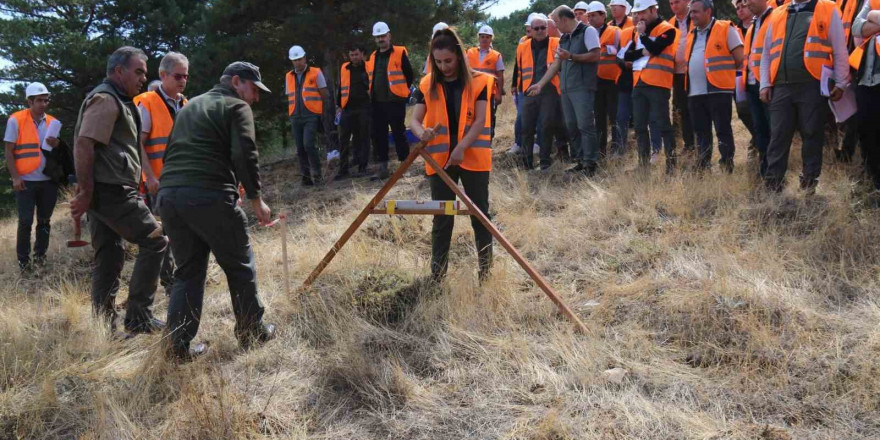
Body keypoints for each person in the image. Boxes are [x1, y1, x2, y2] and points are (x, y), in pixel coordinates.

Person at [158, 61, 276, 361]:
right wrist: (256, 199)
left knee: (187, 273)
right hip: (207, 195)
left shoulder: (190, 105)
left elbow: (175, 150)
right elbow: (244, 152)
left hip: (171, 197)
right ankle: (252, 332)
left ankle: (176, 348)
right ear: (236, 82)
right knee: (239, 265)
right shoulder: (236, 107)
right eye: (253, 89)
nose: (256, 98)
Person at [70, 46, 167, 335]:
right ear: (118, 71)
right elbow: (84, 144)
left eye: (144, 73)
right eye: (138, 71)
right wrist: (86, 191)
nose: (142, 78)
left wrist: (89, 192)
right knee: (156, 241)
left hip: (105, 190)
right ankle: (138, 318)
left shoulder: (119, 99)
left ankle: (104, 328)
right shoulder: (106, 99)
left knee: (110, 256)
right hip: (111, 191)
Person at [410, 28, 493, 282]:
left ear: (458, 55)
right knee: (442, 218)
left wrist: (461, 148)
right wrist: (421, 133)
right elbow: (414, 120)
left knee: (480, 216)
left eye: (448, 60)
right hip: (440, 162)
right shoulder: (427, 84)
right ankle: (437, 278)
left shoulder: (480, 81)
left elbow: (479, 121)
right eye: (438, 61)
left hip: (473, 158)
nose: (443, 66)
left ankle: (486, 275)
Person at [759, 0, 850, 193]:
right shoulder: (777, 13)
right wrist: (765, 83)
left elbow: (840, 48)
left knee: (812, 133)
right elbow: (766, 53)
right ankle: (773, 185)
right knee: (778, 136)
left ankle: (809, 184)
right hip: (781, 86)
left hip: (813, 84)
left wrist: (841, 82)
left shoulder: (827, 8)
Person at [133, 51, 189, 293]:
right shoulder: (146, 102)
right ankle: (169, 282)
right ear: (163, 74)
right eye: (178, 76)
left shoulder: (185, 104)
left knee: (181, 231)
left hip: (183, 181)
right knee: (162, 233)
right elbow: (138, 143)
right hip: (158, 183)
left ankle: (181, 277)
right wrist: (149, 177)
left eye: (186, 76)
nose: (183, 81)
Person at [529, 6, 602, 175]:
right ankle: (580, 161)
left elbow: (596, 55)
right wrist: (540, 84)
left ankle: (590, 164)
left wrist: (571, 56)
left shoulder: (588, 31)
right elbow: (556, 64)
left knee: (585, 125)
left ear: (563, 19)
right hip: (567, 89)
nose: (554, 26)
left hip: (583, 87)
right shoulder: (564, 38)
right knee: (572, 125)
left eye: (555, 22)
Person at [4, 82, 60, 274]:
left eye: (46, 100)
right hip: (25, 181)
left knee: (44, 221)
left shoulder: (53, 122)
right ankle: (23, 263)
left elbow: (57, 153)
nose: (43, 104)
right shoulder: (15, 120)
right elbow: (9, 152)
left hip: (47, 182)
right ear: (29, 101)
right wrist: (15, 177)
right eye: (39, 101)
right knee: (25, 222)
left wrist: (57, 143)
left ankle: (40, 259)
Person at [685, 0, 745, 172]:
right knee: (701, 132)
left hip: (719, 90)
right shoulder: (691, 34)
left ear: (708, 11)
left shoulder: (726, 28)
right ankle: (703, 166)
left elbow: (739, 57)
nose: (692, 15)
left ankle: (727, 164)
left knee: (722, 129)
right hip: (695, 92)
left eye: (696, 11)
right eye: (691, 12)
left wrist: (722, 75)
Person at [624, 0, 679, 173]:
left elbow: (656, 49)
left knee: (663, 124)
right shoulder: (639, 32)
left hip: (658, 83)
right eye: (637, 13)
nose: (639, 16)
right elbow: (627, 55)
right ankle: (643, 165)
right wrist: (642, 50)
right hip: (638, 83)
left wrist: (643, 38)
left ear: (653, 10)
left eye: (643, 13)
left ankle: (671, 165)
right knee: (640, 126)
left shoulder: (667, 29)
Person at [367, 21, 415, 180]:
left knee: (398, 133)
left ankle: (404, 166)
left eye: (383, 36)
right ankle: (382, 168)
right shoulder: (373, 56)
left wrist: (402, 93)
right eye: (378, 37)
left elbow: (409, 75)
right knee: (378, 135)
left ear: (389, 36)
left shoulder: (400, 52)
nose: (381, 39)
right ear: (375, 39)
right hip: (377, 102)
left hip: (395, 101)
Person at [517, 14, 562, 170]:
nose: (540, 31)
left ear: (547, 28)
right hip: (528, 91)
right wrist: (518, 88)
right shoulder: (522, 46)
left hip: (549, 91)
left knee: (546, 126)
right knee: (526, 128)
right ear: (531, 29)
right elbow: (519, 69)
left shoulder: (557, 42)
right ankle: (526, 163)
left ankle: (544, 161)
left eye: (543, 27)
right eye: (536, 28)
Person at [286, 45, 330, 186]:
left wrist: (319, 111)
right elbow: (290, 95)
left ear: (304, 58)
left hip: (311, 115)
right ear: (291, 61)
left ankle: (317, 175)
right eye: (294, 60)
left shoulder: (316, 72)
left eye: (299, 59)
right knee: (300, 148)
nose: (297, 62)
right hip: (295, 116)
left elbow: (324, 93)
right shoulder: (289, 76)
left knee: (309, 145)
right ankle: (306, 177)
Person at [743, 0, 775, 176]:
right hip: (752, 85)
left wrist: (767, 81)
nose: (748, 3)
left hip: (768, 84)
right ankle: (764, 170)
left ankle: (774, 172)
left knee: (772, 130)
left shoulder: (775, 19)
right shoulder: (753, 24)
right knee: (760, 130)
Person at [851, 0, 880, 191]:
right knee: (867, 130)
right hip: (867, 79)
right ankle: (876, 181)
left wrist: (873, 17)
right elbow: (856, 27)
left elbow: (864, 26)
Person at [589, 1, 622, 161]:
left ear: (603, 15)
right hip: (595, 82)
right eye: (589, 16)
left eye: (594, 15)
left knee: (615, 115)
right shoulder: (588, 33)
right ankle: (600, 150)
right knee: (599, 117)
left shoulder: (615, 31)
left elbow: (622, 52)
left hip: (612, 81)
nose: (591, 19)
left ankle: (617, 148)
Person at [336, 44, 372, 179]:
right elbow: (341, 87)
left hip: (364, 107)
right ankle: (343, 169)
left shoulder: (369, 67)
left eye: (356, 54)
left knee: (363, 137)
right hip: (347, 108)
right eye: (352, 55)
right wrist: (338, 105)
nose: (354, 57)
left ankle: (363, 167)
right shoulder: (344, 68)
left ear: (362, 54)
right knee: (343, 139)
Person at [466, 25, 505, 137]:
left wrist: (498, 93)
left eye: (487, 37)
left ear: (491, 39)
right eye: (482, 36)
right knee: (470, 117)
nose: (484, 39)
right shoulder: (470, 52)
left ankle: (488, 140)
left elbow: (500, 76)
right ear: (479, 38)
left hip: (489, 93)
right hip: (471, 92)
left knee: (489, 117)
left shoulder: (496, 55)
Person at [669, 0, 696, 154]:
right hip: (678, 74)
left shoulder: (696, 17)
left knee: (697, 108)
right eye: (671, 3)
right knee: (682, 110)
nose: (674, 6)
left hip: (695, 72)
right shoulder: (670, 23)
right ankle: (689, 144)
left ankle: (699, 143)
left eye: (677, 2)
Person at [732, 0, 757, 158]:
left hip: (759, 75)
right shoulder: (734, 30)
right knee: (743, 111)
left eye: (743, 6)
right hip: (740, 77)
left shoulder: (760, 25)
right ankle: (756, 137)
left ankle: (758, 141)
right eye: (737, 8)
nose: (740, 10)